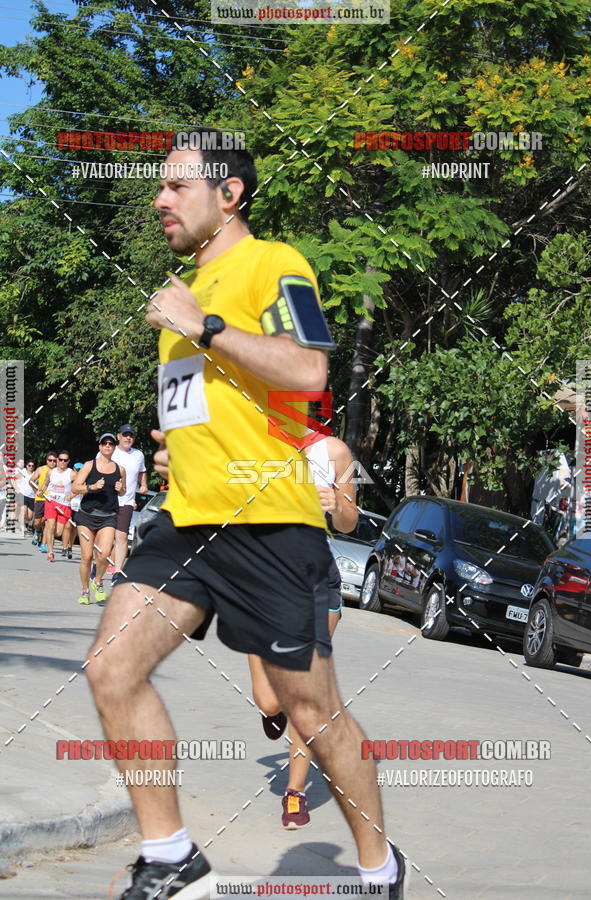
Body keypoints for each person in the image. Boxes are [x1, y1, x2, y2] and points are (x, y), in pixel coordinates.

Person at [85, 130, 408, 900]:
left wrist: (205, 325)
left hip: (269, 524)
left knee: (310, 712)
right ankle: (169, 858)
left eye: (177, 186)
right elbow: (212, 406)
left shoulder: (276, 264)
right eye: (159, 187)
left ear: (229, 194)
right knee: (112, 666)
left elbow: (309, 369)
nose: (159, 200)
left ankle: (379, 870)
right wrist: (179, 449)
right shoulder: (179, 293)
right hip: (188, 522)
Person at [249, 433, 358, 829]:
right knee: (271, 702)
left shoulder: (335, 451)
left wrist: (337, 505)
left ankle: (294, 793)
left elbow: (350, 521)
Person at [72, 434, 125, 604]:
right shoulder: (89, 465)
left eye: (111, 443)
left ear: (114, 447)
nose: (108, 446)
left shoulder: (120, 469)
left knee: (103, 554)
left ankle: (98, 580)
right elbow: (75, 487)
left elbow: (123, 491)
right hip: (87, 516)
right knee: (87, 556)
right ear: (100, 446)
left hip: (108, 516)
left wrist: (121, 489)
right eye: (104, 443)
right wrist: (92, 487)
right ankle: (85, 590)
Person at [109, 424, 147, 585]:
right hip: (107, 500)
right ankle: (98, 565)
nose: (128, 437)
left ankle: (117, 572)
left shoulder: (138, 455)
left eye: (131, 435)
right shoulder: (109, 450)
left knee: (122, 536)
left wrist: (144, 485)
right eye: (125, 434)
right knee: (105, 537)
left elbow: (142, 471)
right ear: (119, 436)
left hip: (127, 501)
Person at [40, 450, 75, 562]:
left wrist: (72, 495)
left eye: (65, 460)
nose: (62, 462)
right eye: (60, 460)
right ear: (57, 460)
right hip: (51, 501)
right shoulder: (51, 472)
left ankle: (47, 533)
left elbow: (80, 486)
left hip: (64, 505)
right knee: (50, 526)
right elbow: (45, 484)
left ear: (68, 461)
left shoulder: (72, 473)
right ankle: (50, 552)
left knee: (58, 532)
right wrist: (41, 491)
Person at [29, 450, 58, 550]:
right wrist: (36, 490)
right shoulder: (41, 469)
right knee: (37, 522)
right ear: (46, 460)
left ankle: (43, 544)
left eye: (54, 461)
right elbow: (31, 481)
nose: (52, 462)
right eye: (50, 460)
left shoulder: (59, 472)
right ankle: (37, 531)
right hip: (40, 498)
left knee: (47, 522)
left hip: (52, 500)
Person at [17, 460, 36, 531]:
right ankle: (22, 526)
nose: (31, 467)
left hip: (32, 496)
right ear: (26, 466)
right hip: (23, 494)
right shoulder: (23, 472)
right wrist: (16, 488)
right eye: (29, 465)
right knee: (23, 510)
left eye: (32, 466)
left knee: (30, 517)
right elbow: (13, 479)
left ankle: (24, 522)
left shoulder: (35, 474)